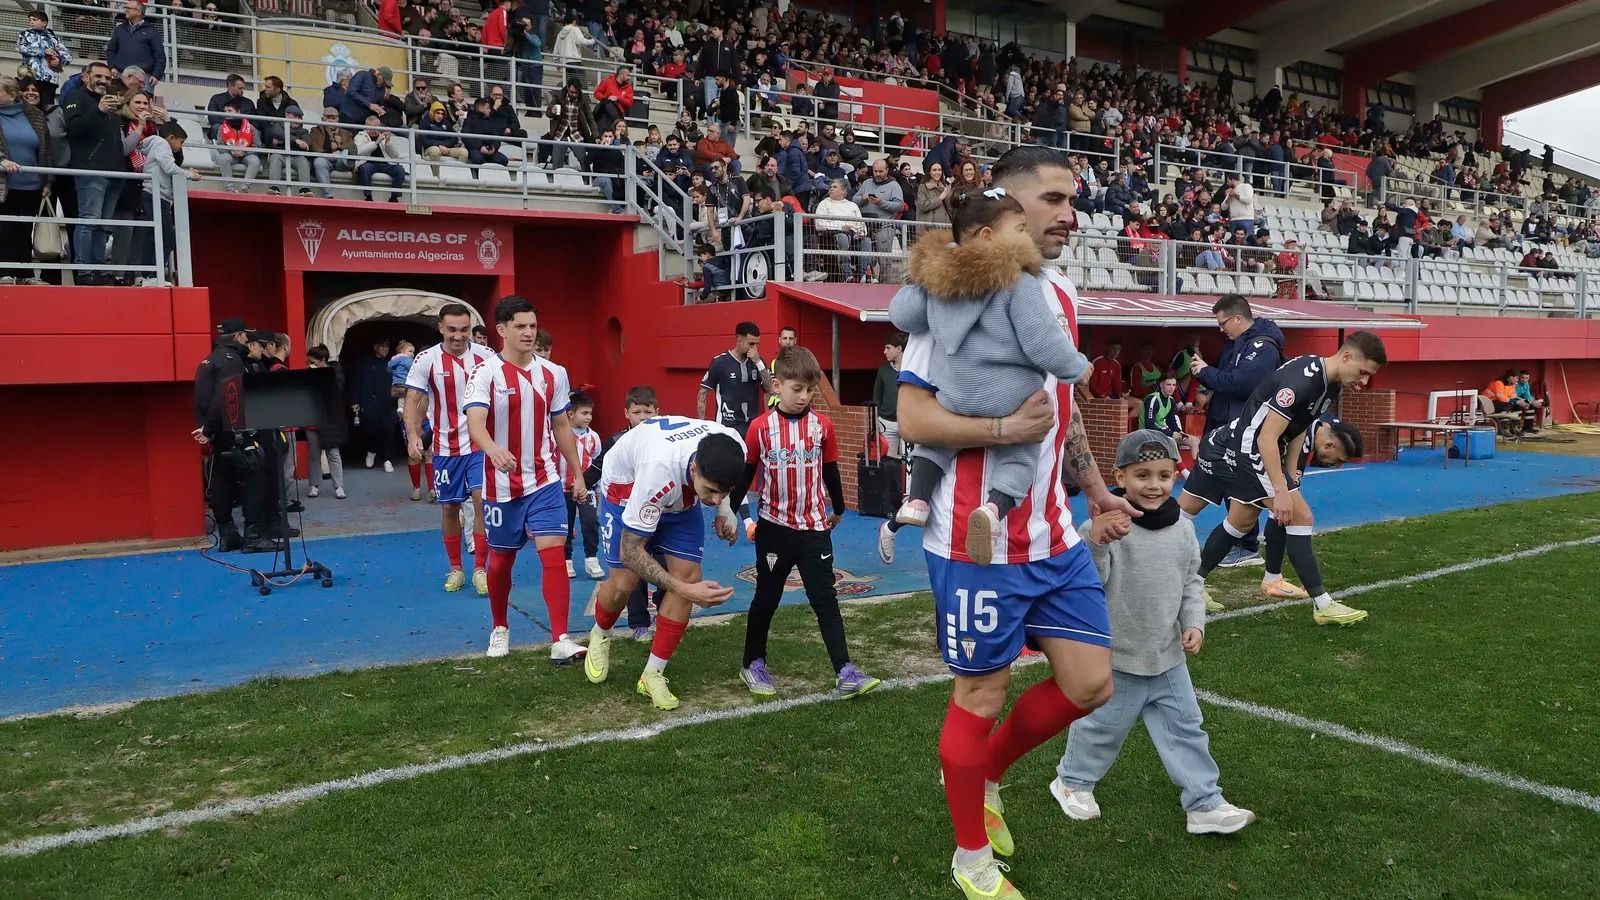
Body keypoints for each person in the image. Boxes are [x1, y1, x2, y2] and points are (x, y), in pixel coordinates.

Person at [894, 145, 1132, 900]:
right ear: (1008, 206)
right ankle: (970, 859)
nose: (1072, 216)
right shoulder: (962, 285)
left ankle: (987, 772)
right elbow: (910, 415)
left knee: (1092, 683)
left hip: (1055, 531)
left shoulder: (1052, 292)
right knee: (980, 698)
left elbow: (1059, 411)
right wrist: (1001, 437)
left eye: (1075, 202)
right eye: (1056, 200)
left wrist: (1093, 486)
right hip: (979, 539)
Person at [1052, 430, 1256, 835]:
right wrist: (1095, 541)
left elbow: (1190, 582)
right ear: (1120, 476)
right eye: (1142, 474)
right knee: (1101, 729)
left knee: (1187, 729)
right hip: (1118, 656)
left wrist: (1194, 622)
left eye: (1164, 475)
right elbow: (1086, 585)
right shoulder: (1104, 525)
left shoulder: (1182, 527)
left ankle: (1204, 803)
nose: (1154, 485)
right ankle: (1072, 782)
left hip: (1167, 656)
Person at [886, 187, 1089, 565]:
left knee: (936, 446)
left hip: (955, 397)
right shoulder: (1019, 282)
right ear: (988, 236)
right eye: (1019, 228)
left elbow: (902, 316)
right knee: (1023, 454)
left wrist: (929, 272)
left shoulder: (940, 281)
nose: (1025, 237)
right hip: (1009, 397)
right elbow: (1042, 341)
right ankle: (993, 510)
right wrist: (1077, 368)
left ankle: (916, 500)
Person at [1178, 332, 1388, 626]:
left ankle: (1194, 585)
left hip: (1240, 443)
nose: (1364, 381)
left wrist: (1290, 479)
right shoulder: (1303, 380)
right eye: (1364, 372)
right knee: (1301, 516)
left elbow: (1300, 426)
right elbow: (1266, 437)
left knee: (1240, 519)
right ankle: (1323, 604)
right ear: (1347, 356)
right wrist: (1281, 491)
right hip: (1250, 447)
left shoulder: (1330, 384)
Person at [726, 347, 881, 698]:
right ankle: (753, 662)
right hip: (774, 529)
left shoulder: (822, 426)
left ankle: (845, 670)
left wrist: (838, 507)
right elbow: (747, 471)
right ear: (777, 386)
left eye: (810, 390)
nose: (804, 396)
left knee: (825, 599)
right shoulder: (760, 428)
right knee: (766, 597)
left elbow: (829, 469)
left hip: (814, 528)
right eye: (797, 389)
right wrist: (729, 512)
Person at [582, 415, 747, 710]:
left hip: (676, 486)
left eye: (723, 491)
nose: (716, 498)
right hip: (628, 488)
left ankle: (652, 673)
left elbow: (723, 487)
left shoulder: (734, 445)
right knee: (626, 581)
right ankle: (600, 632)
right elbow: (630, 553)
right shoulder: (657, 474)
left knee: (690, 577)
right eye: (711, 490)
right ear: (695, 468)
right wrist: (685, 590)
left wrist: (726, 509)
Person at [464, 296, 589, 663]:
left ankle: (561, 638)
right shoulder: (484, 372)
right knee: (501, 563)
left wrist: (577, 474)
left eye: (532, 326)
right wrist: (493, 450)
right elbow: (474, 423)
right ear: (501, 330)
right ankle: (500, 627)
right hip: (500, 486)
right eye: (520, 326)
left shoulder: (554, 373)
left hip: (545, 480)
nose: (528, 332)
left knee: (553, 554)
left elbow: (562, 425)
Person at [405, 304, 496, 595]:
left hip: (480, 444)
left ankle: (481, 568)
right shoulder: (426, 359)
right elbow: (414, 398)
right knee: (450, 508)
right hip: (445, 448)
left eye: (464, 329)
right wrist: (412, 435)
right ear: (441, 327)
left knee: (482, 501)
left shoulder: (486, 357)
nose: (458, 336)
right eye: (452, 330)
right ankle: (456, 568)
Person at [1189, 294, 1284, 568]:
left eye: (1223, 323)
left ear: (1238, 318)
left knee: (1242, 488)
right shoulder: (1238, 344)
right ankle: (1238, 543)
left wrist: (1206, 373)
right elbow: (1229, 380)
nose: (1221, 329)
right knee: (1227, 487)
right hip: (1225, 427)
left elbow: (1242, 383)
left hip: (1244, 431)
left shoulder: (1263, 348)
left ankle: (1247, 546)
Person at [192, 318, 280, 553]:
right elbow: (225, 396)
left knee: (222, 481)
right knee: (255, 479)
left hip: (219, 432)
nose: (247, 340)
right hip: (236, 430)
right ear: (237, 336)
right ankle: (253, 536)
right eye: (245, 336)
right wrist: (209, 429)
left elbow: (203, 399)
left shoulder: (209, 360)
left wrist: (207, 428)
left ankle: (227, 534)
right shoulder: (231, 362)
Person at [589, 385, 664, 641]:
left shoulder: (664, 440)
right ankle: (638, 623)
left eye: (648, 412)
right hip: (626, 515)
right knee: (635, 570)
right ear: (626, 413)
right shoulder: (616, 441)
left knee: (665, 565)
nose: (643, 417)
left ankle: (665, 616)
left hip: (659, 512)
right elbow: (597, 468)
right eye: (636, 412)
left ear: (658, 412)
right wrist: (580, 483)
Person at [696, 321, 772, 533]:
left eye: (757, 344)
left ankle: (756, 517)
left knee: (755, 468)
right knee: (735, 471)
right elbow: (703, 392)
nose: (753, 348)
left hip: (751, 426)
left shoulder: (757, 362)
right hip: (726, 427)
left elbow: (770, 389)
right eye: (750, 343)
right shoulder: (720, 363)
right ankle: (747, 522)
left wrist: (759, 363)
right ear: (739, 340)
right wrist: (702, 424)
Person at [63, 62, 124, 285]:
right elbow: (74, 131)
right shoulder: (75, 97)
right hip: (90, 170)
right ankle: (84, 269)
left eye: (107, 78)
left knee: (104, 226)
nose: (103, 81)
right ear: (85, 77)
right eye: (98, 76)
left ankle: (99, 270)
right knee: (89, 220)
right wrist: (98, 111)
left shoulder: (110, 105)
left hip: (114, 173)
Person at [0, 76, 51, 281]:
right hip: (4, 184)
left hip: (31, 184)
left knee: (24, 231)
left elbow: (47, 150)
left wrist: (47, 180)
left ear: (12, 94)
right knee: (4, 229)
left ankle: (24, 274)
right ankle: (5, 273)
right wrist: (2, 159)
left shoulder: (35, 115)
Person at [562, 391, 604, 580]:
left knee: (590, 522)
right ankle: (566, 560)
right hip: (562, 489)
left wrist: (597, 489)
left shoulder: (594, 437)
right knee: (565, 525)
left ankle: (591, 558)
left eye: (590, 414)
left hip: (586, 489)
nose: (589, 417)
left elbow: (597, 463)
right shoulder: (559, 435)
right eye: (584, 413)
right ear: (570, 415)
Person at [304, 345, 347, 500]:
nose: (309, 364)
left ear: (322, 361)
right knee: (313, 455)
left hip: (330, 419)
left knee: (333, 453)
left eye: (312, 361)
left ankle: (339, 486)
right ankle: (314, 485)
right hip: (311, 419)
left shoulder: (335, 373)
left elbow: (338, 389)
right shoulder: (307, 373)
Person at [16, 10, 72, 107]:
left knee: (47, 105)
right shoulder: (25, 34)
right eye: (29, 20)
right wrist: (42, 51)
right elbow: (20, 48)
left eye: (34, 19)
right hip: (30, 76)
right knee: (28, 104)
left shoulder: (53, 38)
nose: (31, 22)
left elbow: (68, 56)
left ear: (44, 23)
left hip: (49, 79)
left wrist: (59, 61)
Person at [106, 1, 164, 90]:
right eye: (125, 8)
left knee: (141, 103)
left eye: (128, 8)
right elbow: (111, 50)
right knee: (120, 103)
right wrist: (112, 67)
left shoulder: (152, 31)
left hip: (144, 79)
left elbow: (160, 55)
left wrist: (156, 75)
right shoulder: (119, 29)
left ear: (139, 11)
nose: (125, 10)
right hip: (120, 76)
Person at [872, 331, 906, 462]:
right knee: (888, 461)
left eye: (888, 348)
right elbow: (877, 396)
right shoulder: (883, 369)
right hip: (886, 422)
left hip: (908, 423)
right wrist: (878, 419)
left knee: (909, 460)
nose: (884, 351)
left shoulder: (913, 369)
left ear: (899, 348)